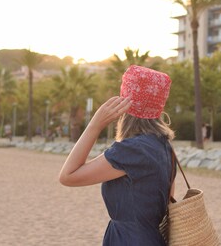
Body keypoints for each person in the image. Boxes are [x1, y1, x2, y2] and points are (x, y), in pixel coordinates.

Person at [59, 65, 176, 246]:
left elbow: (68, 176)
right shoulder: (164, 146)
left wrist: (95, 125)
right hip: (153, 238)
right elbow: (166, 201)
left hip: (127, 239)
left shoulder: (132, 150)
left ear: (124, 105)